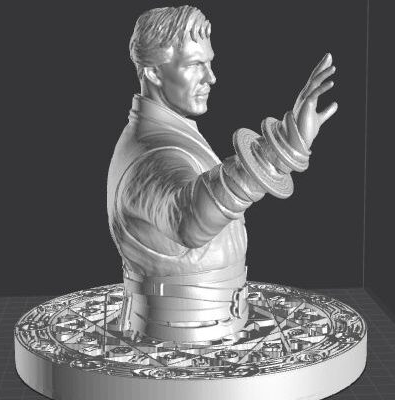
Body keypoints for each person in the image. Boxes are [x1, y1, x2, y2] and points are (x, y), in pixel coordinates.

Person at [107, 6, 337, 343]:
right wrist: (282, 149)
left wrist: (285, 149)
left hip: (207, 332)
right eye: (195, 65)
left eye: (209, 63)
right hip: (179, 345)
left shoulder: (170, 133)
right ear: (154, 72)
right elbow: (188, 218)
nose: (211, 77)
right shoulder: (152, 153)